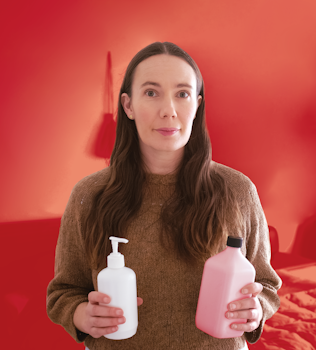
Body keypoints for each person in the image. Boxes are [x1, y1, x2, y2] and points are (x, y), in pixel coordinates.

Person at [46, 41, 282, 350]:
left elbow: (267, 287)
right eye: (151, 93)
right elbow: (63, 293)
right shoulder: (89, 195)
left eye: (182, 94)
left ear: (196, 105)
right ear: (128, 106)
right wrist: (80, 314)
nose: (168, 111)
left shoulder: (238, 190)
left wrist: (256, 310)